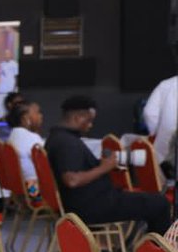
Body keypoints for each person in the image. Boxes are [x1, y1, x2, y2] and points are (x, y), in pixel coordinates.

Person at [45, 95, 171, 234]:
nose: (90, 125)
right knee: (160, 204)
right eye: (89, 120)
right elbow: (72, 180)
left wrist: (104, 164)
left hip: (85, 202)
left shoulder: (57, 137)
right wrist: (104, 167)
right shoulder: (67, 143)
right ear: (78, 117)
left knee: (152, 201)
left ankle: (149, 247)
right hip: (91, 207)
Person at [7, 101, 45, 203]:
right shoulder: (31, 138)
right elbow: (48, 163)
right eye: (37, 112)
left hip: (20, 189)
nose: (41, 116)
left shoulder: (13, 135)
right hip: (34, 190)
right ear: (25, 118)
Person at [142, 73, 177, 173]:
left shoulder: (166, 85)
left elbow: (149, 113)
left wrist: (159, 133)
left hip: (165, 153)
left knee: (167, 183)